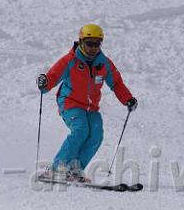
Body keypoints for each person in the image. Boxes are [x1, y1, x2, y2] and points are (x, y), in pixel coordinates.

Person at [36, 24, 137, 182]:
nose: (94, 48)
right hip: (70, 103)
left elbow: (116, 83)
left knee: (96, 134)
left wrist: (128, 99)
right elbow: (53, 76)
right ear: (81, 42)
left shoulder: (104, 63)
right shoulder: (70, 60)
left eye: (98, 44)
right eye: (90, 43)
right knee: (81, 130)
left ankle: (75, 169)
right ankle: (57, 168)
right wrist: (44, 83)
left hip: (91, 108)